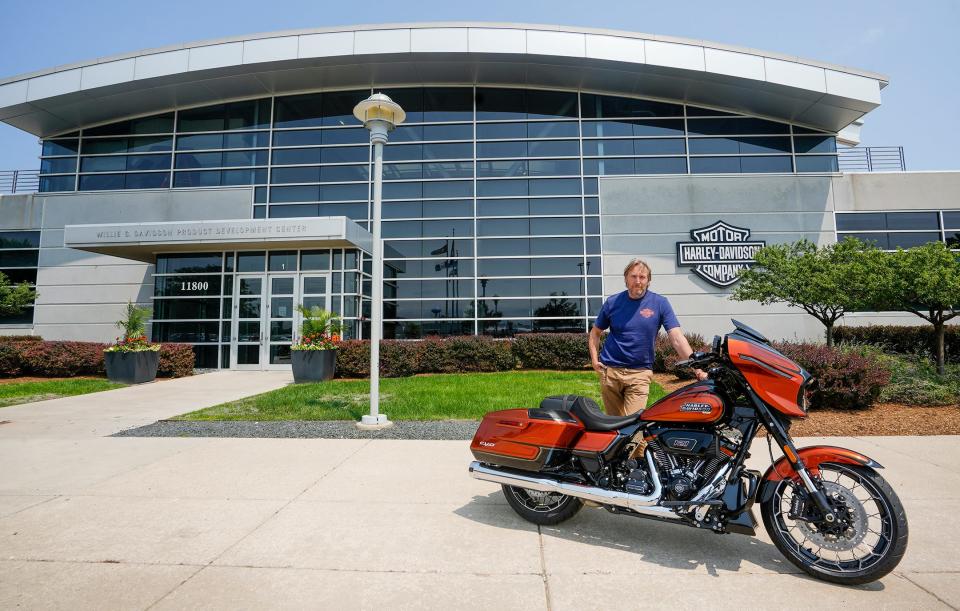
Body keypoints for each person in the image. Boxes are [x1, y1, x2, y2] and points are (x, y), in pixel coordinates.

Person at [589, 258, 707, 417]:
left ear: (649, 280)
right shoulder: (613, 302)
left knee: (633, 425)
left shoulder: (660, 303)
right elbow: (595, 332)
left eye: (642, 277)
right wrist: (595, 360)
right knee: (613, 426)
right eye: (633, 276)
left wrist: (697, 368)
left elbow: (677, 338)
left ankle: (640, 442)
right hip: (610, 372)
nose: (638, 281)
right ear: (626, 278)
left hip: (640, 373)